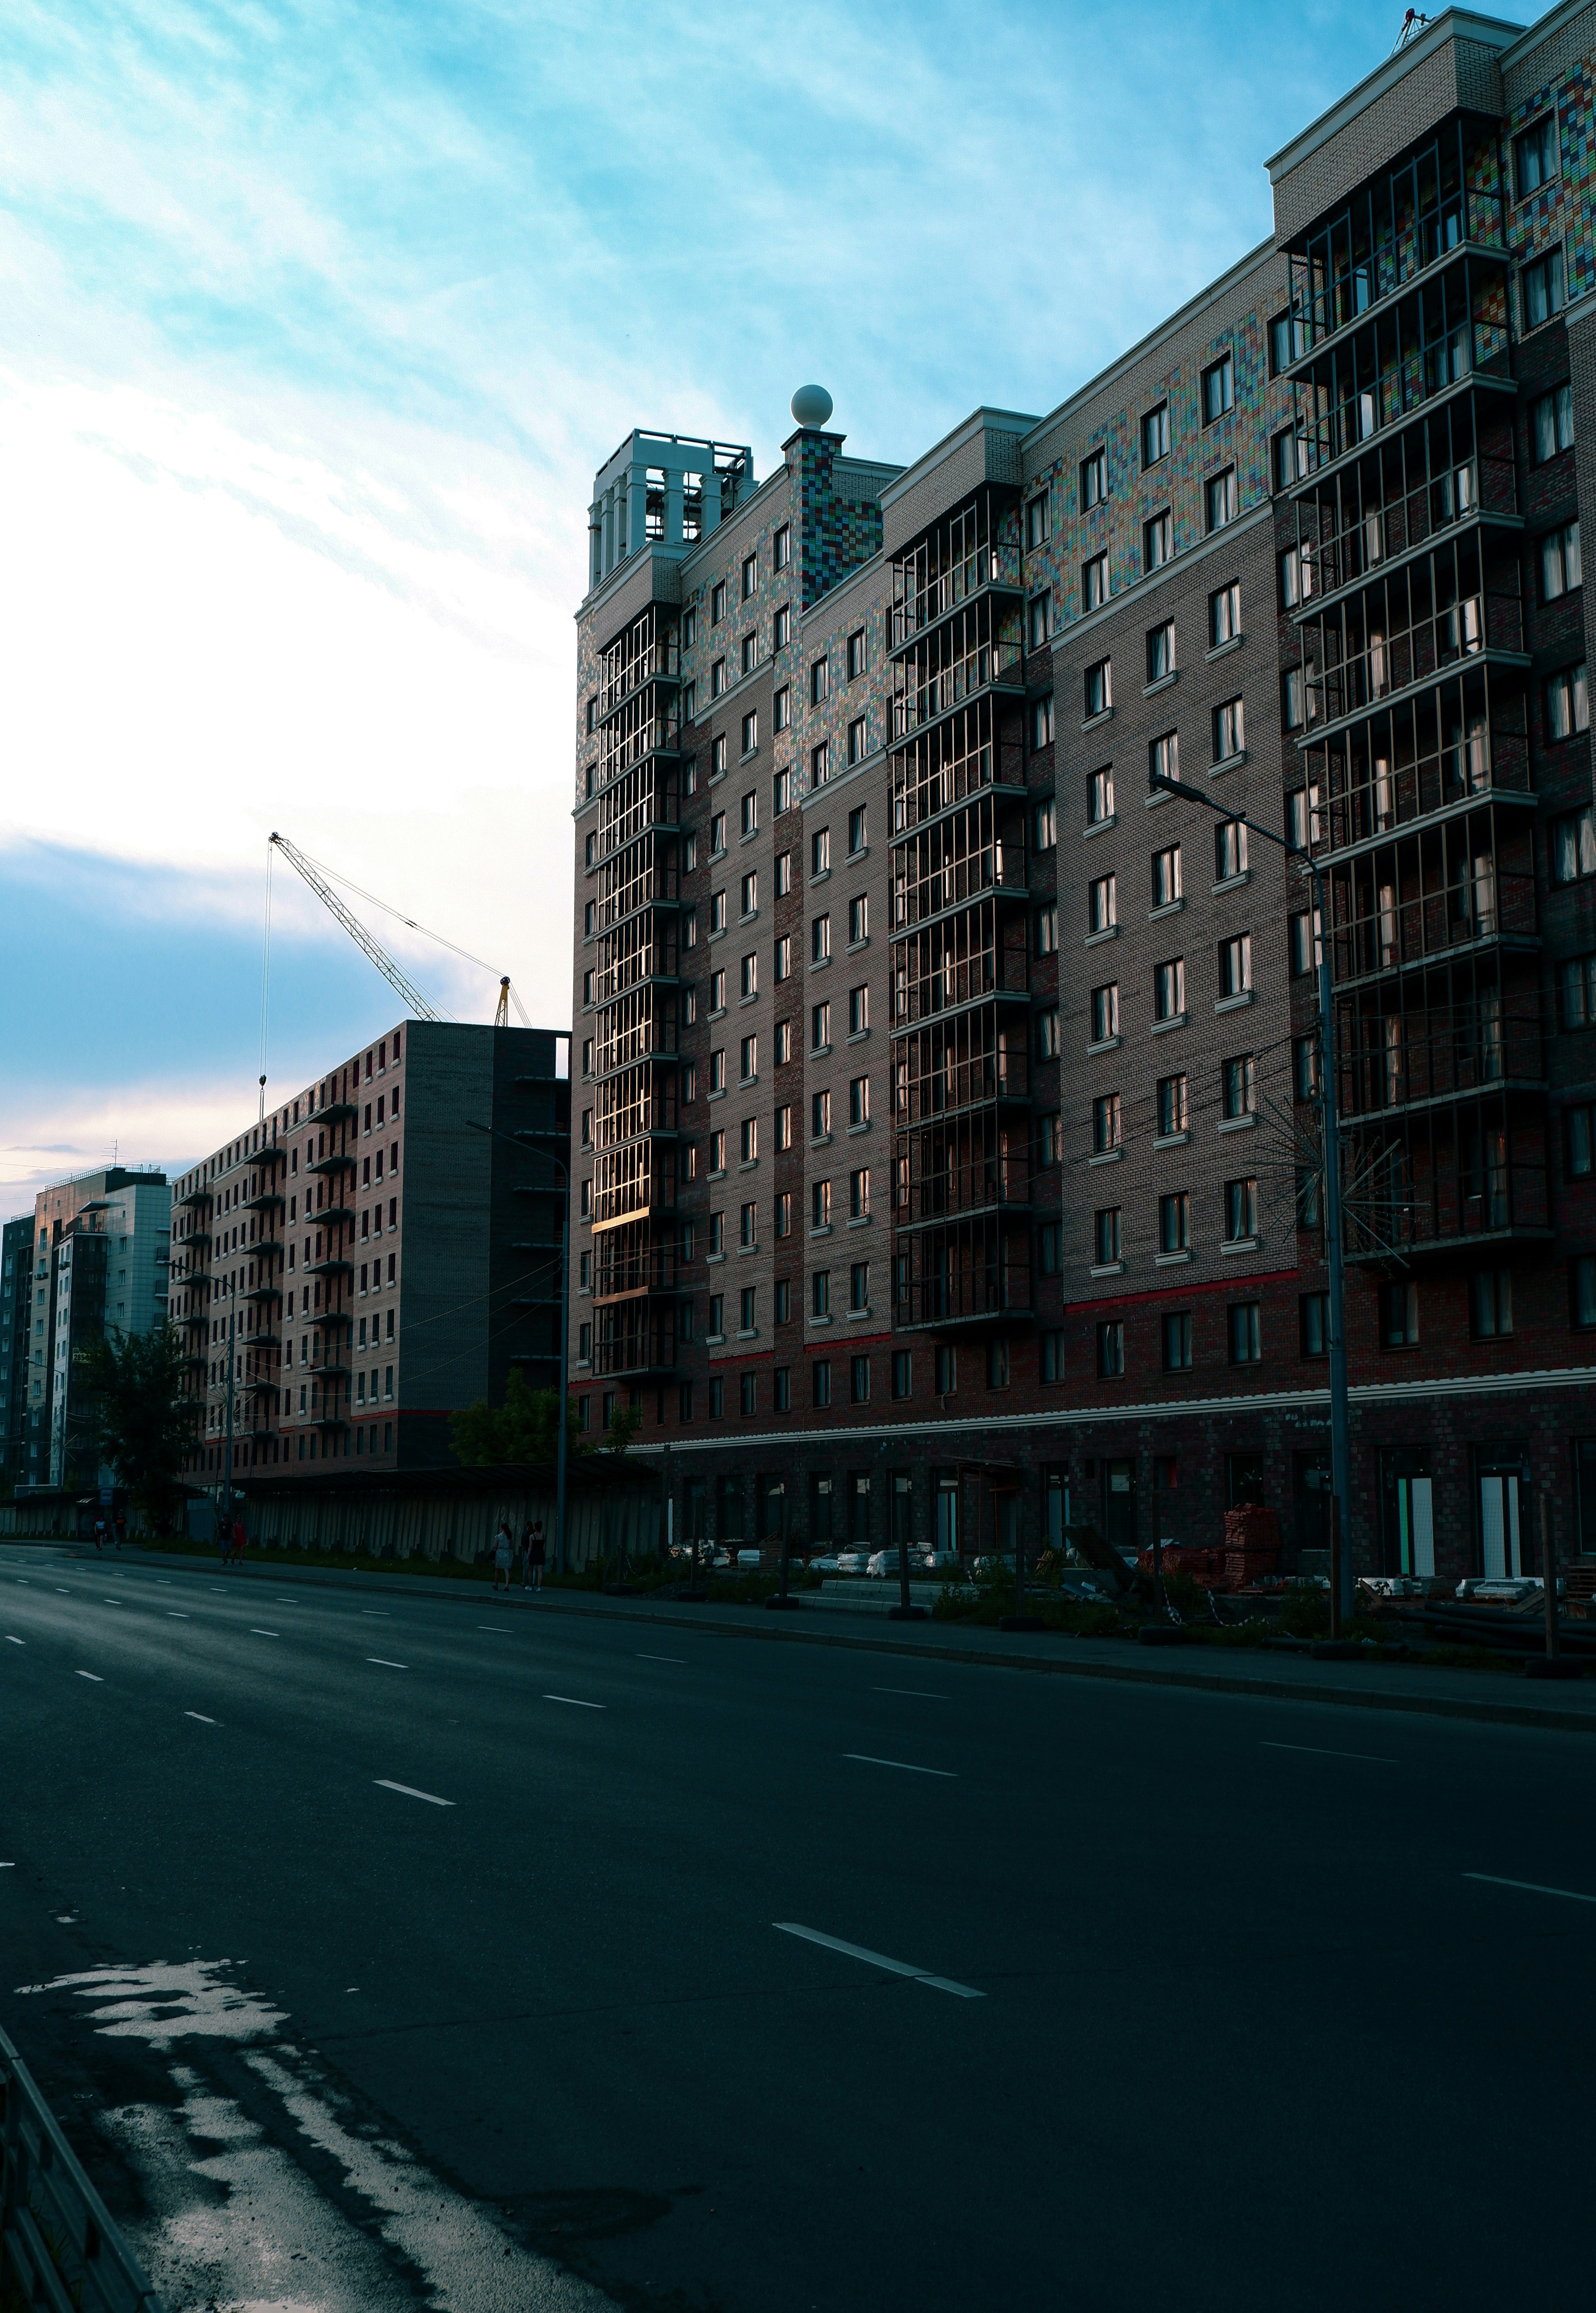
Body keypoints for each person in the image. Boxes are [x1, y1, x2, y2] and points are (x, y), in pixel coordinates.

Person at [493, 1521, 514, 1592]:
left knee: (497, 1570)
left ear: (502, 1529)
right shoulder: (510, 1537)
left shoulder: (498, 1537)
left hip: (499, 1553)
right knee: (507, 1570)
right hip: (507, 1553)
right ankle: (507, 1585)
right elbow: (511, 1547)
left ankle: (496, 1585)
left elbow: (495, 1546)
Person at [528, 1517, 546, 1593]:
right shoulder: (543, 1536)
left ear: (535, 1528)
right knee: (540, 1571)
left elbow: (530, 1547)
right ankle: (539, 1587)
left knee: (531, 1570)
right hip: (541, 1553)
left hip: (534, 1553)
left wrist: (528, 1555)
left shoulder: (532, 1537)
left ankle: (531, 1586)